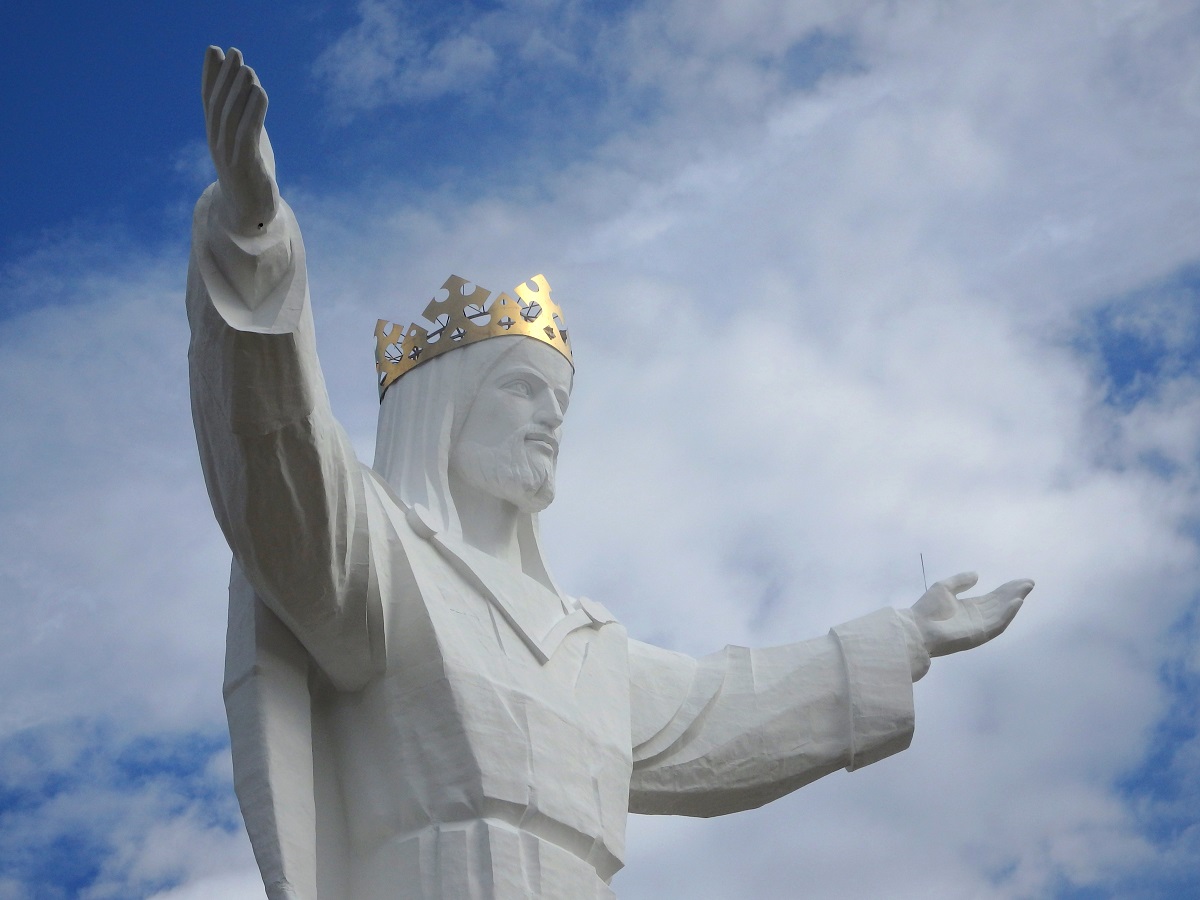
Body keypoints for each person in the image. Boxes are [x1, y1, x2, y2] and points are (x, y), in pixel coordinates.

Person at [187, 46, 1034, 900]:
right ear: (444, 409)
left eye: (559, 399)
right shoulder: (381, 564)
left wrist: (903, 638)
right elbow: (276, 454)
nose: (552, 419)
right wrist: (255, 243)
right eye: (523, 390)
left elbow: (722, 709)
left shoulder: (585, 644)